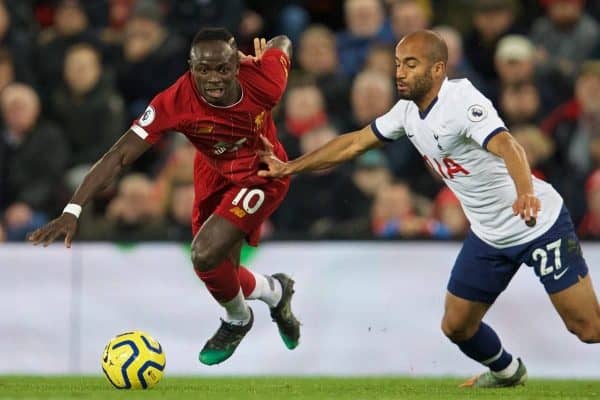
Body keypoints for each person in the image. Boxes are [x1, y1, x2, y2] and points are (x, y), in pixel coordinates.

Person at [257, 30, 600, 388]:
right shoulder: (406, 112)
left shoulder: (462, 101)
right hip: (490, 234)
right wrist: (289, 166)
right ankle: (507, 373)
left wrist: (526, 192)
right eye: (397, 64)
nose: (400, 73)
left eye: (410, 64)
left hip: (537, 223)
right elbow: (354, 143)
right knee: (456, 326)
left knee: (588, 329)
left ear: (437, 69)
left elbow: (510, 146)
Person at [28, 27, 300, 366]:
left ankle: (238, 320)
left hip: (263, 172)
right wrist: (73, 208)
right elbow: (119, 155)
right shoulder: (173, 101)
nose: (213, 78)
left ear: (236, 64)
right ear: (190, 66)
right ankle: (275, 291)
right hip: (214, 173)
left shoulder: (266, 81)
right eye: (203, 69)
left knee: (203, 254)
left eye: (222, 68)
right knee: (217, 271)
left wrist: (270, 49)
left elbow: (283, 43)